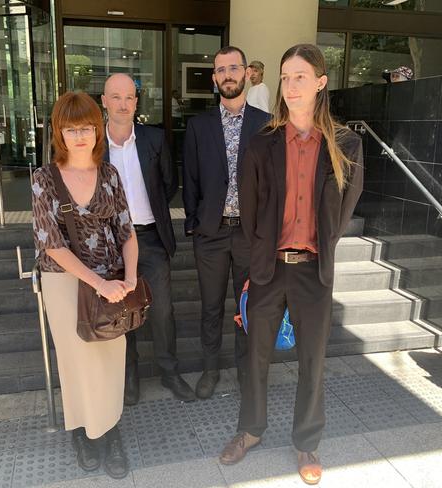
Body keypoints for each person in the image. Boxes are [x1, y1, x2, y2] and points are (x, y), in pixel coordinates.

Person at [219, 44, 363, 485]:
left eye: (301, 76)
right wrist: (253, 267)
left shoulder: (344, 143)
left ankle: (306, 440)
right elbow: (250, 208)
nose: (291, 84)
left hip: (313, 271)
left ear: (321, 82)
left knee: (312, 360)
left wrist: (320, 246)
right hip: (268, 268)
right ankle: (251, 430)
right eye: (285, 77)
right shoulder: (263, 143)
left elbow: (344, 208)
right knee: (254, 356)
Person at [31, 91, 137, 479]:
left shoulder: (109, 174)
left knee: (110, 356)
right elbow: (51, 244)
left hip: (112, 280)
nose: (80, 136)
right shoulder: (44, 179)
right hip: (64, 282)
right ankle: (83, 430)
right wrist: (98, 284)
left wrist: (128, 277)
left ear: (97, 129)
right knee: (76, 358)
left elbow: (127, 231)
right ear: (59, 132)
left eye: (87, 127)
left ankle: (109, 429)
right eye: (71, 128)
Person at [101, 73, 195, 405]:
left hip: (151, 238)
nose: (123, 104)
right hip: (112, 245)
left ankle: (169, 373)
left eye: (129, 97)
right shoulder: (94, 144)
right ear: (104, 101)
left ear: (136, 102)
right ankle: (130, 377)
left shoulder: (154, 139)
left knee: (163, 311)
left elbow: (169, 185)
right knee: (123, 314)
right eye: (116, 97)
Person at [183, 46, 270, 399]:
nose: (227, 75)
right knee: (211, 306)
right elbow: (189, 178)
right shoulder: (198, 125)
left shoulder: (265, 124)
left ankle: (246, 371)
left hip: (250, 234)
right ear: (215, 78)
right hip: (211, 233)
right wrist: (193, 222)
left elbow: (273, 182)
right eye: (221, 70)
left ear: (247, 72)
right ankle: (209, 370)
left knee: (248, 306)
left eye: (234, 68)